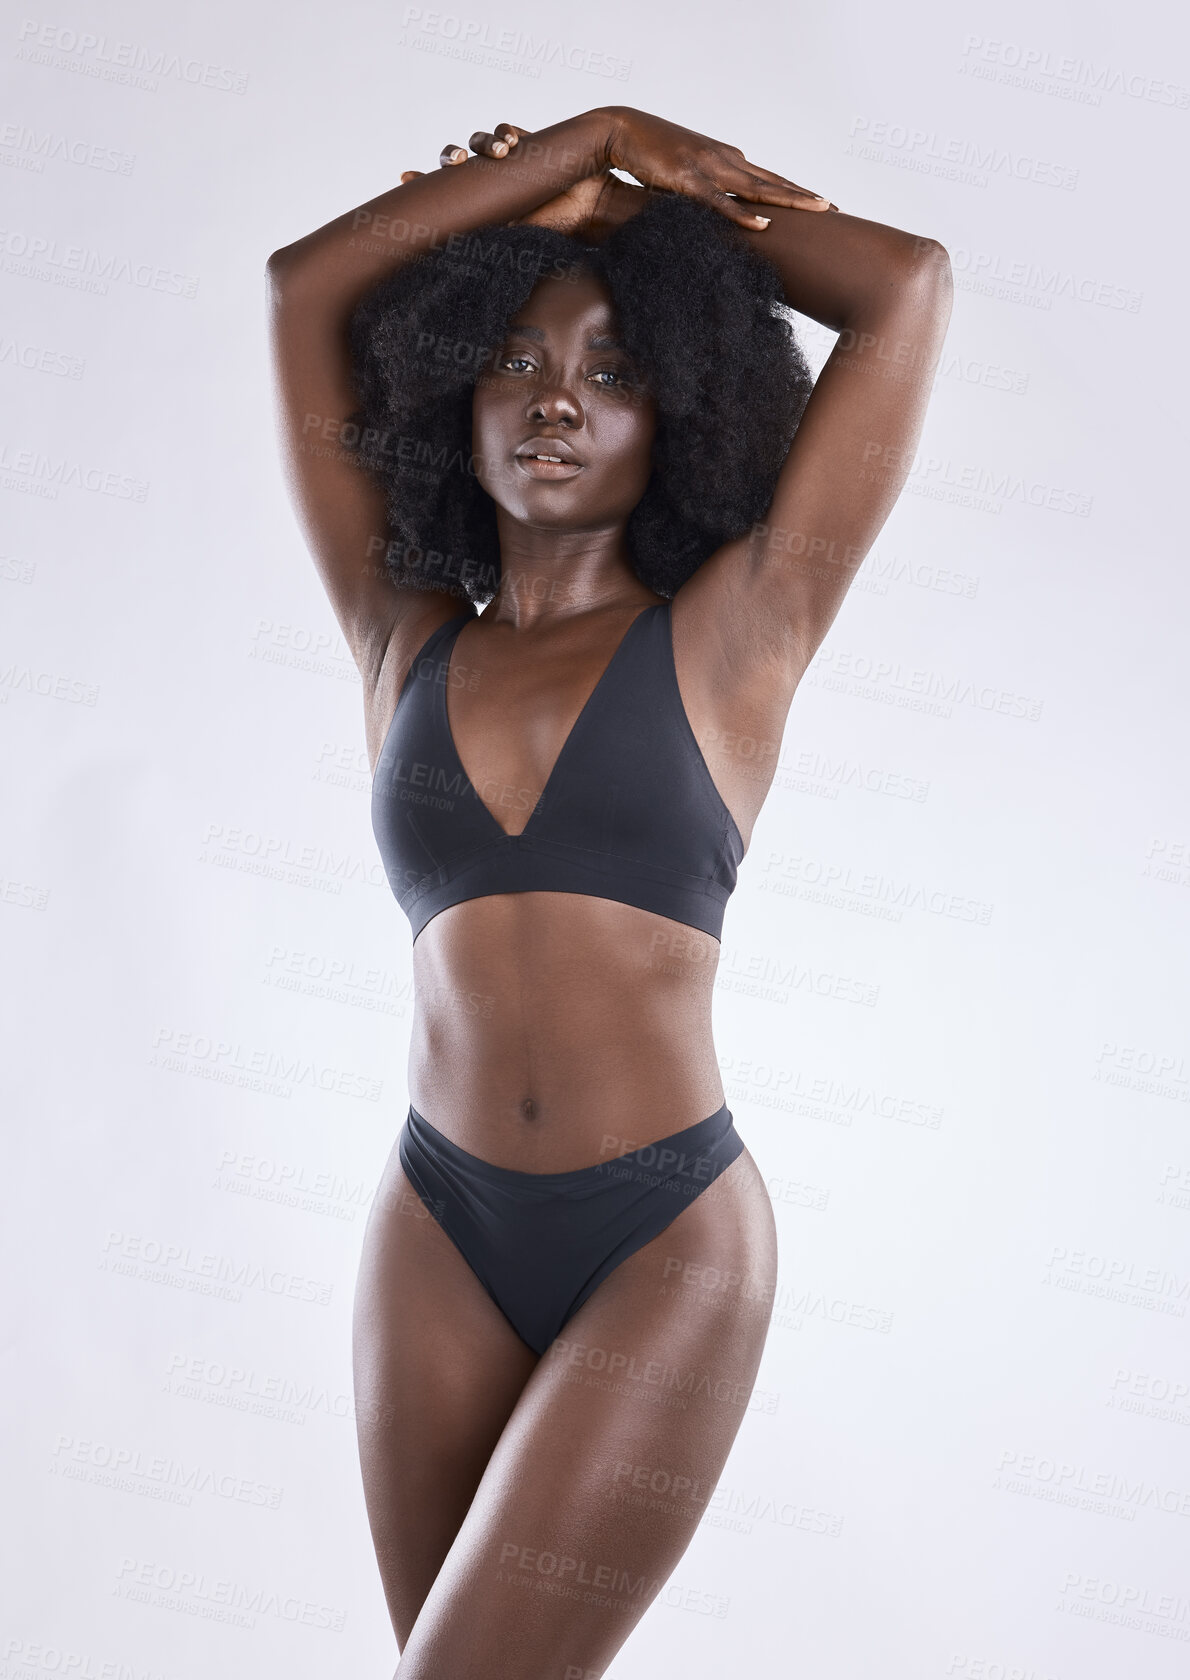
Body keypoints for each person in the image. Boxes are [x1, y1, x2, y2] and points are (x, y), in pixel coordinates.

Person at [266, 105, 952, 1678]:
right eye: (513, 360)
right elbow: (303, 294)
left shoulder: (743, 622)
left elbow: (901, 288)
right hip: (430, 1221)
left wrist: (649, 181)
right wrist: (566, 154)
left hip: (662, 1235)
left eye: (616, 371)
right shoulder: (401, 636)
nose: (556, 404)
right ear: (451, 396)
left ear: (687, 412)